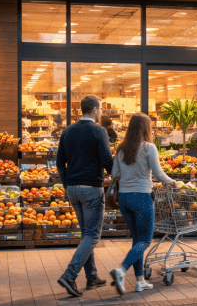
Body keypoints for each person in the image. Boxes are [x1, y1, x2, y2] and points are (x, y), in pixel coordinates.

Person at [109, 113, 175, 295]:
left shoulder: (121, 148)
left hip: (124, 198)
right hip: (142, 198)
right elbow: (159, 174)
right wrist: (173, 182)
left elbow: (114, 173)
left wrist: (129, 176)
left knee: (137, 240)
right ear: (146, 128)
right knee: (145, 240)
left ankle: (140, 281)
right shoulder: (148, 147)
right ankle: (121, 271)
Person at [55, 95, 114, 297]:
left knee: (86, 234)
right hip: (91, 189)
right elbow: (107, 161)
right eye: (101, 109)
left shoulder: (68, 131)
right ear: (95, 110)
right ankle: (70, 275)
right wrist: (119, 175)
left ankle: (92, 277)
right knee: (93, 235)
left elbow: (59, 161)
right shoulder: (100, 131)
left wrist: (66, 183)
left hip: (73, 189)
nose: (101, 113)